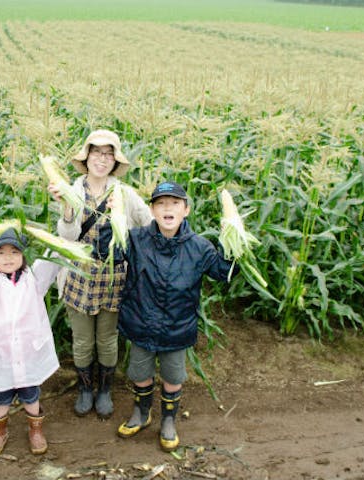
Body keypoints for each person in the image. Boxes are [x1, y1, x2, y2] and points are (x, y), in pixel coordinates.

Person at [115, 181, 238, 451]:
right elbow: (110, 254)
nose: (167, 208)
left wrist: (232, 242)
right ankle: (142, 412)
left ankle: (168, 420)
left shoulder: (200, 247)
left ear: (186, 210)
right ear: (152, 210)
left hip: (176, 329)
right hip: (141, 324)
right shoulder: (135, 240)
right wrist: (108, 227)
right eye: (160, 204)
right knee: (139, 373)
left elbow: (223, 273)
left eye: (174, 203)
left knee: (173, 377)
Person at [48, 129, 153, 419]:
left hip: (114, 277)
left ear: (115, 161)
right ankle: (85, 389)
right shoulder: (72, 189)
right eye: (96, 152)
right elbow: (67, 236)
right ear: (87, 157)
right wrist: (67, 208)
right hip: (78, 275)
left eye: (108, 154)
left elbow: (149, 224)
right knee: (82, 340)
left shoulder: (125, 194)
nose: (102, 159)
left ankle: (105, 389)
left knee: (107, 339)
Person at [0, 229, 60, 457]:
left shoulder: (34, 280)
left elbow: (54, 257)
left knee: (31, 392)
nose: (8, 257)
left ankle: (35, 430)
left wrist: (58, 232)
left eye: (15, 252)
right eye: (0, 252)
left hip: (28, 352)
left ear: (24, 256)